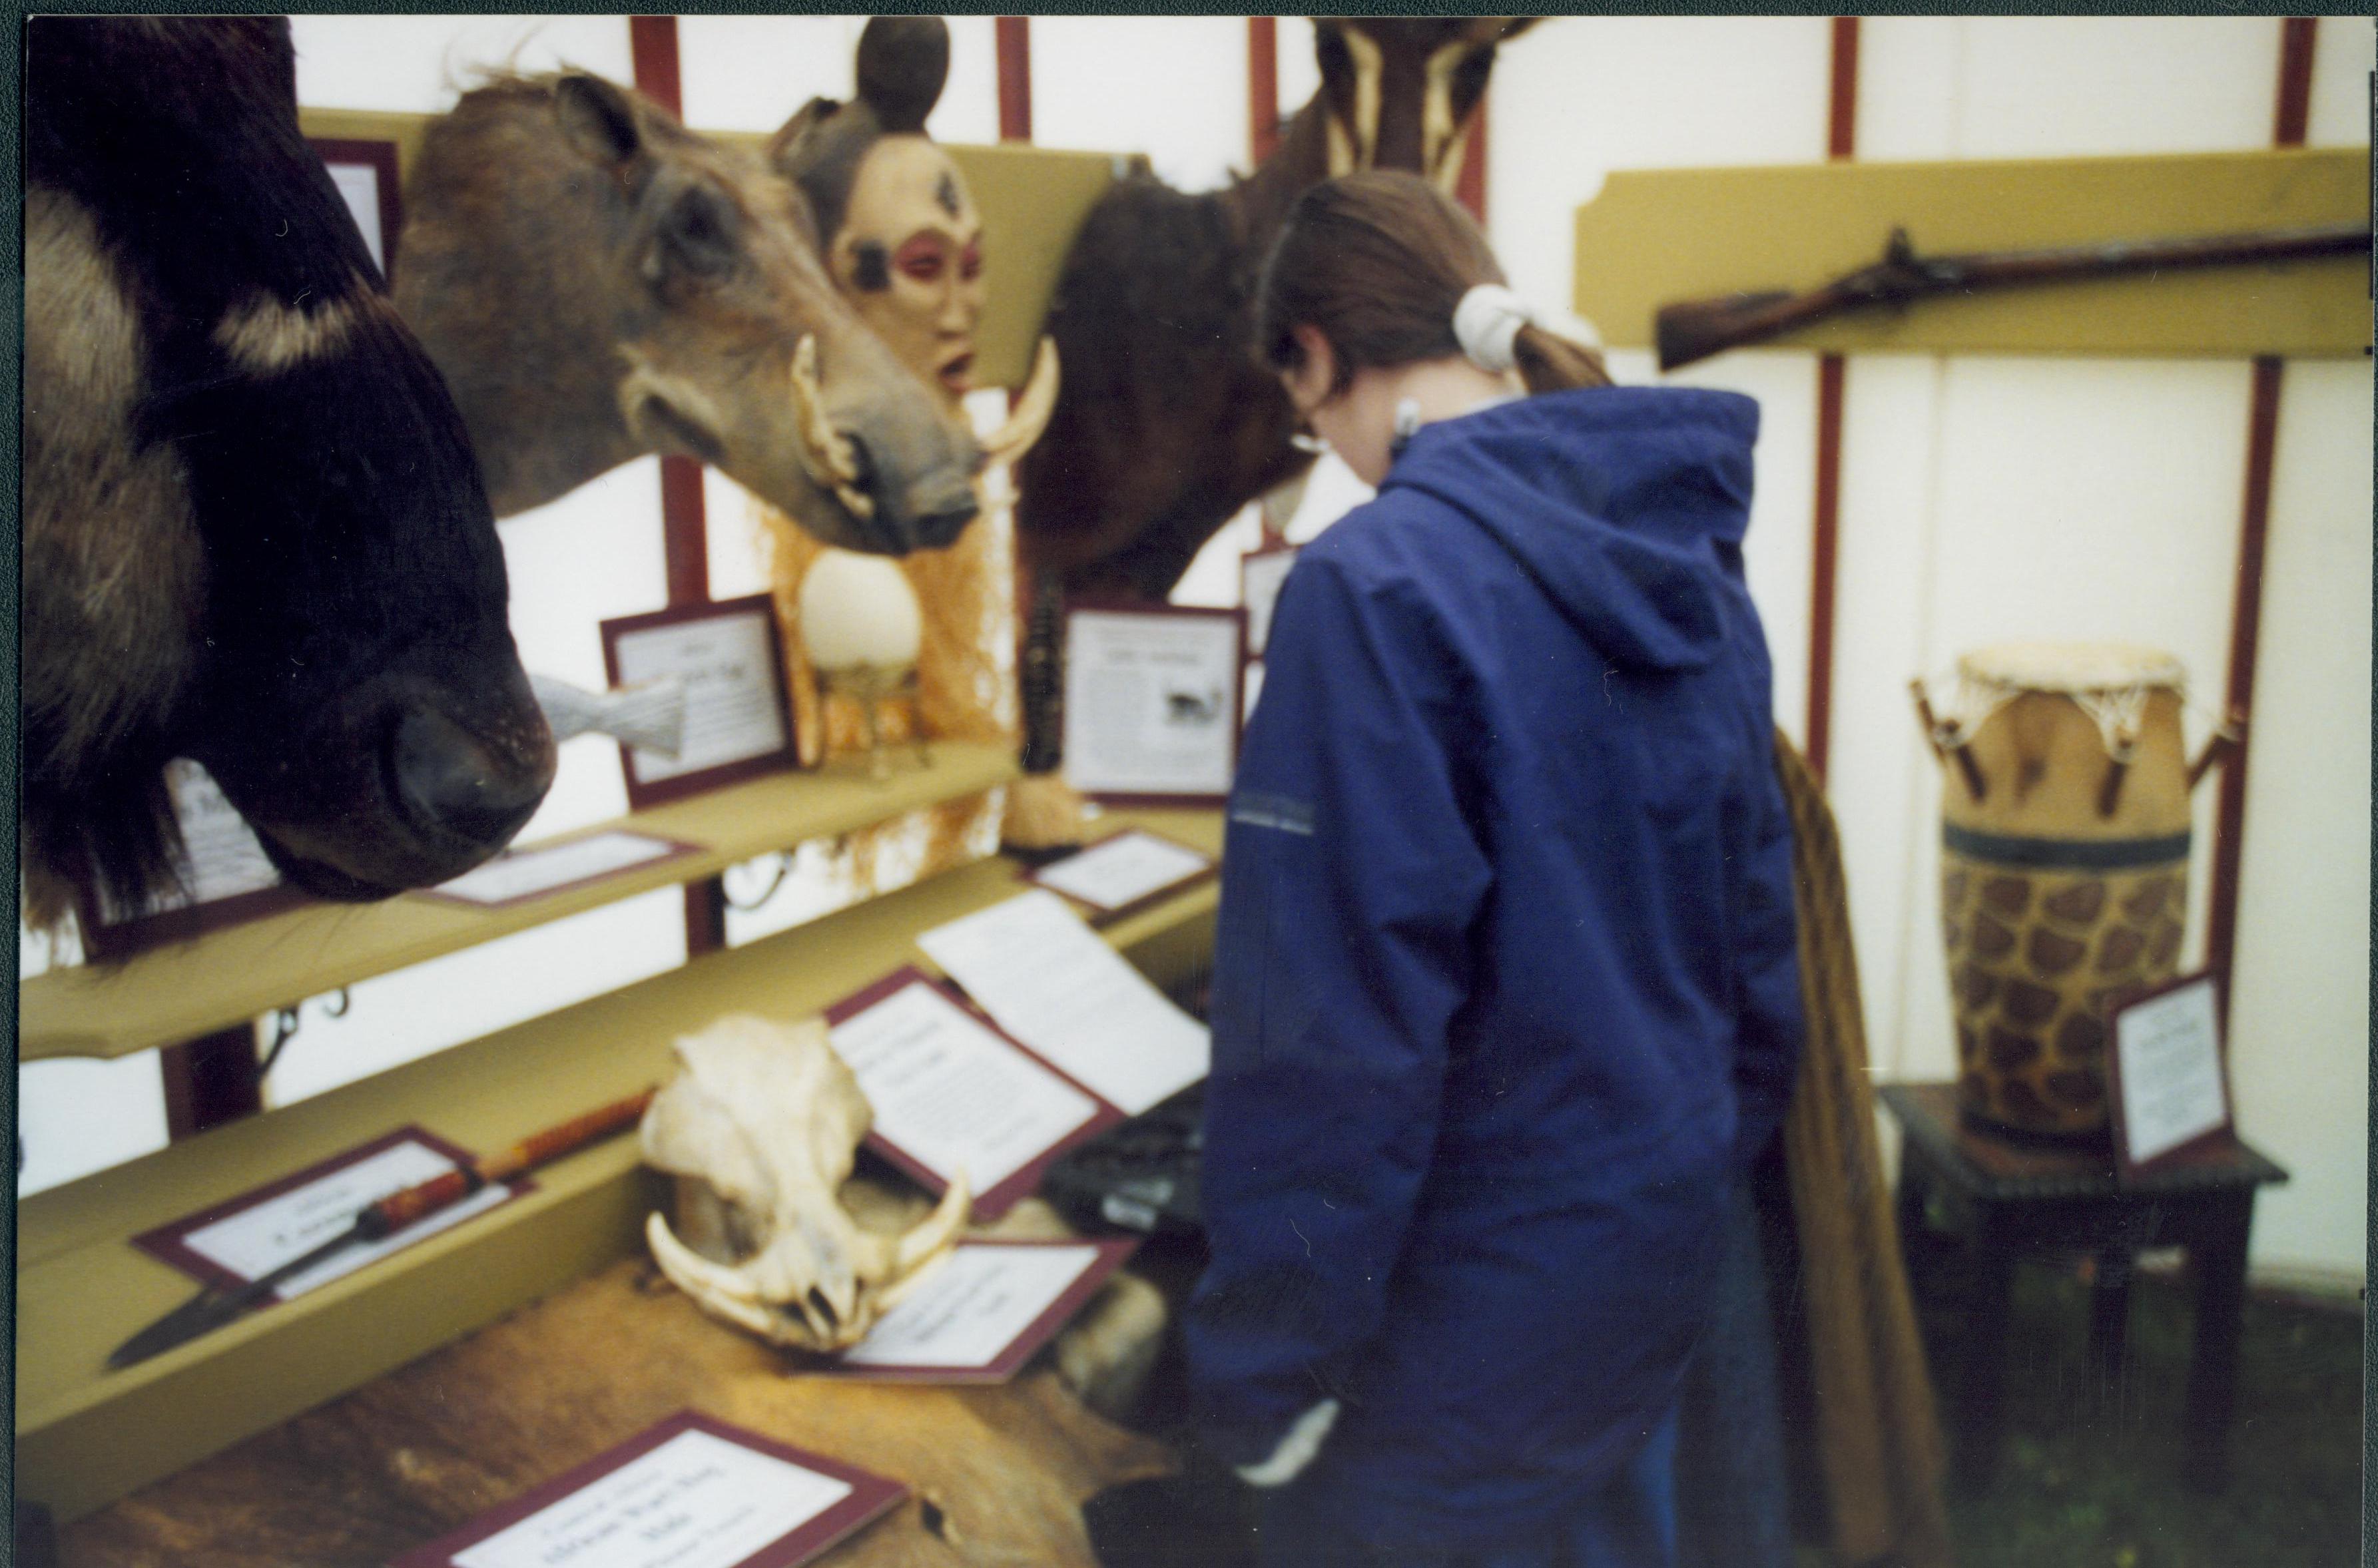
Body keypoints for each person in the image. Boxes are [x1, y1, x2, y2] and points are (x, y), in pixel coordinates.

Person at [1183, 170, 1804, 1568]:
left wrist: (1264, 1373)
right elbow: (1760, 963)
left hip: (1461, 1347)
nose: (1323, 447)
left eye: (1303, 411)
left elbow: (1327, 1044)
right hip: (1656, 1274)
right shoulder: (1688, 559)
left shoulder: (1370, 588)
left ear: (1319, 357)